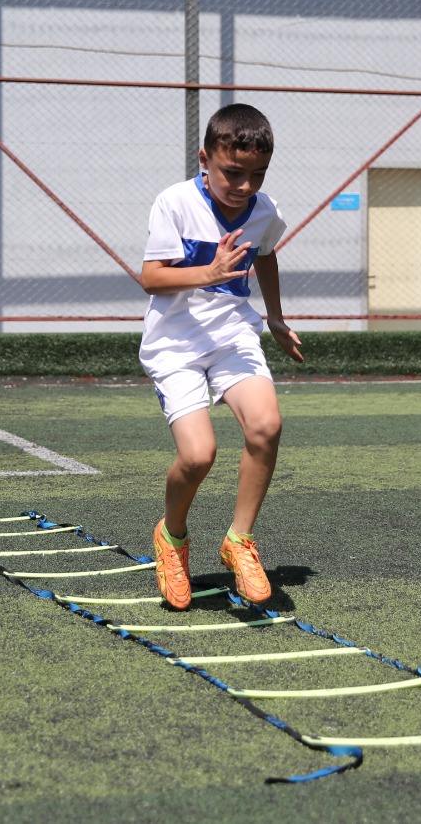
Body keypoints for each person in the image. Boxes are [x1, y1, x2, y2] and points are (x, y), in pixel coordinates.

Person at [139, 103, 305, 610]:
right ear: (205, 158)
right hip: (176, 344)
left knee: (266, 426)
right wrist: (208, 273)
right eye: (234, 173)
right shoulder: (174, 203)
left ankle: (239, 541)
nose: (245, 186)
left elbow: (267, 254)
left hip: (234, 334)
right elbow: (151, 276)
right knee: (198, 455)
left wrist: (275, 317)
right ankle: (172, 537)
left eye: (257, 175)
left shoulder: (264, 210)